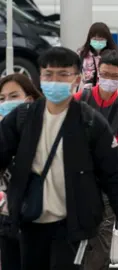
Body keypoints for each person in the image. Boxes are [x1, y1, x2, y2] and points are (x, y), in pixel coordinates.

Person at [0, 47, 118, 269]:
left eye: (63, 74)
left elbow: (114, 175)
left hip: (71, 225)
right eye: (48, 74)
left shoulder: (90, 122)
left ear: (77, 79)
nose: (55, 80)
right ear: (40, 77)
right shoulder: (23, 117)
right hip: (29, 220)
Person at [73, 49, 118, 269]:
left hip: (108, 187)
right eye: (105, 74)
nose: (109, 80)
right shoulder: (79, 100)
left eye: (115, 76)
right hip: (77, 184)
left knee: (101, 243)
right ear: (97, 73)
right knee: (73, 242)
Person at [0, 74, 42, 270]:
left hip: (39, 222)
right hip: (7, 223)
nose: (7, 102)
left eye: (13, 96)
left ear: (29, 99)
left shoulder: (43, 131)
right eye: (2, 98)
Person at [78, 22, 118, 105]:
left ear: (107, 39)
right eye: (95, 38)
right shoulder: (82, 54)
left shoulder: (113, 56)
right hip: (86, 96)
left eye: (101, 39)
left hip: (107, 95)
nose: (97, 41)